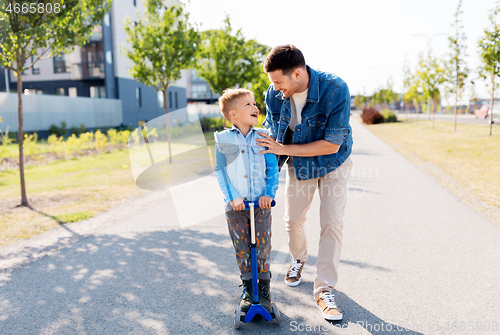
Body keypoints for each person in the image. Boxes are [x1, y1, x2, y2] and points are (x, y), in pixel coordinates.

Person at [257, 45, 353, 321]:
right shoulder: (274, 95)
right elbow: (273, 141)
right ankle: (298, 258)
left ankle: (324, 289)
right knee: (293, 219)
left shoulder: (335, 89)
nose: (275, 88)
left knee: (332, 223)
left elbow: (332, 145)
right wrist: (265, 183)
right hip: (300, 164)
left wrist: (282, 150)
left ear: (297, 74)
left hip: (334, 162)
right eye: (272, 82)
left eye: (278, 81)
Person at [214, 88, 279, 314]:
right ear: (233, 114)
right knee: (242, 248)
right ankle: (249, 290)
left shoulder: (263, 136)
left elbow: (272, 168)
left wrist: (269, 194)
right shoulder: (223, 139)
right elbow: (220, 170)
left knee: (262, 248)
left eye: (254, 103)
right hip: (237, 207)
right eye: (248, 104)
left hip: (260, 206)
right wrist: (232, 197)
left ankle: (263, 291)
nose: (255, 107)